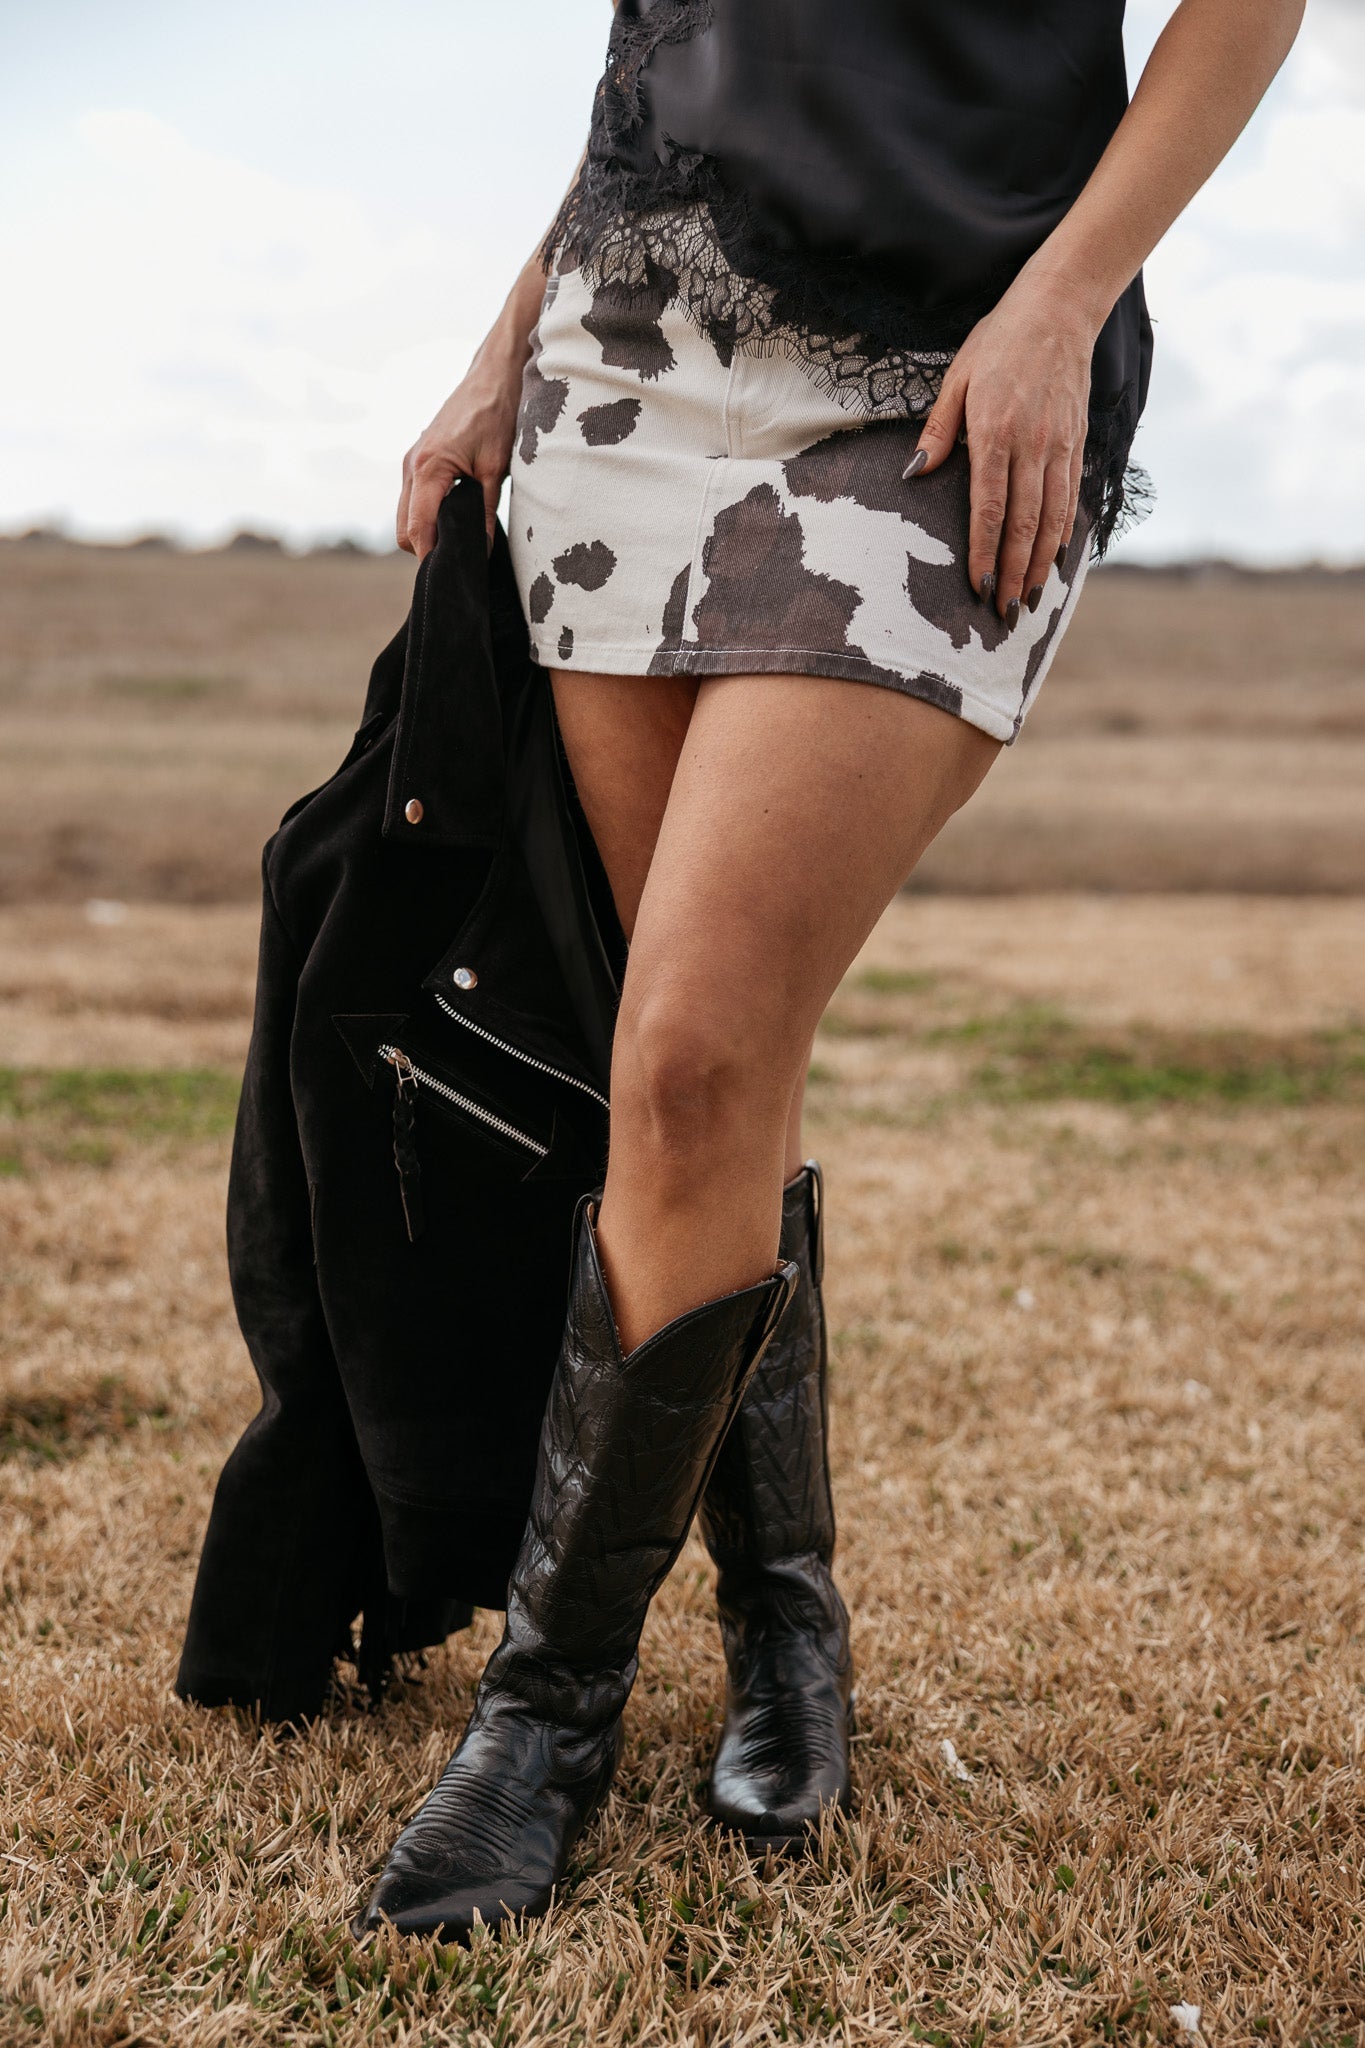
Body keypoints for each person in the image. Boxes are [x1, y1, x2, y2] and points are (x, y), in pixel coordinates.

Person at [361, 0, 1305, 1940]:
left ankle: (540, 1719)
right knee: (698, 1069)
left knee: (697, 1046)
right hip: (626, 350)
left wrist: (1066, 296)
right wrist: (492, 355)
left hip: (950, 353)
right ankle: (779, 1618)